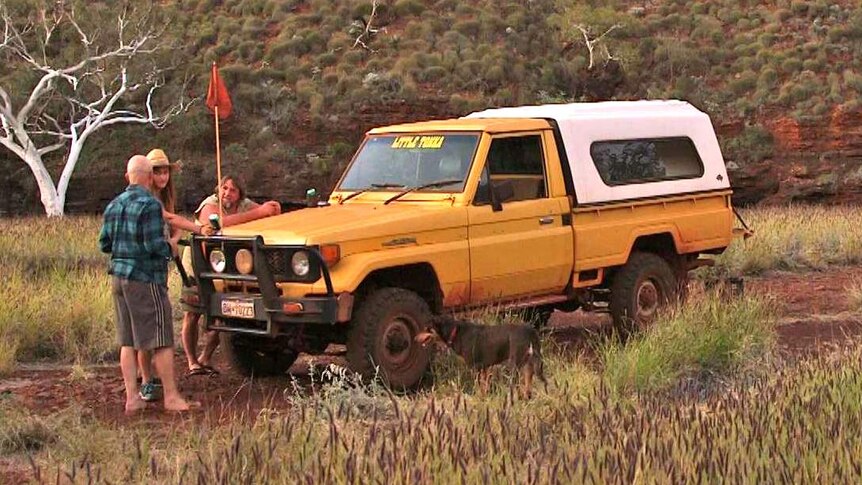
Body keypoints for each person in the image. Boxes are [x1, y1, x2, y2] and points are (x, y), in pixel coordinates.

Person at [98, 155, 198, 414]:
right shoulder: (150, 205)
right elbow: (154, 246)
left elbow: (104, 244)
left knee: (128, 340)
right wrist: (173, 245)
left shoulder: (114, 205)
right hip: (146, 279)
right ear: (149, 177)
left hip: (119, 277)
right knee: (162, 338)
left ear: (127, 175)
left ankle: (132, 398)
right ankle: (172, 397)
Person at [181, 175, 281, 376]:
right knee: (192, 313)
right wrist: (260, 212)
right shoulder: (209, 204)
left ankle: (205, 357)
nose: (227, 193)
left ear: (239, 194)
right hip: (198, 268)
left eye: (232, 190)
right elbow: (216, 223)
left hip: (227, 270)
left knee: (226, 314)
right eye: (224, 188)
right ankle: (191, 361)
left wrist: (271, 209)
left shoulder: (244, 205)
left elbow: (268, 210)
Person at [135, 148, 212, 403]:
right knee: (149, 325)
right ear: (148, 173)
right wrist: (198, 227)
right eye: (157, 171)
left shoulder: (164, 196)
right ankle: (147, 378)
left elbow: (171, 226)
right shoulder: (147, 198)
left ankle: (148, 375)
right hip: (143, 265)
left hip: (159, 261)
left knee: (153, 320)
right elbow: (168, 218)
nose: (163, 176)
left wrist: (175, 240)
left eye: (165, 170)